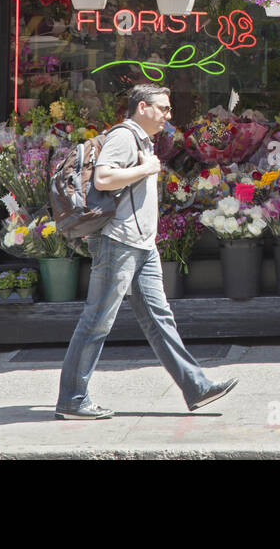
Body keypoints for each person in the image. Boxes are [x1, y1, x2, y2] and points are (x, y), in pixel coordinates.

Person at [56, 83, 238, 419]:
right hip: (119, 242)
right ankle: (72, 398)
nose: (169, 114)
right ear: (143, 107)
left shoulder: (142, 139)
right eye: (163, 108)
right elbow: (103, 178)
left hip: (141, 244)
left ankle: (196, 386)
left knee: (159, 319)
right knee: (97, 321)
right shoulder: (125, 136)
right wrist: (147, 168)